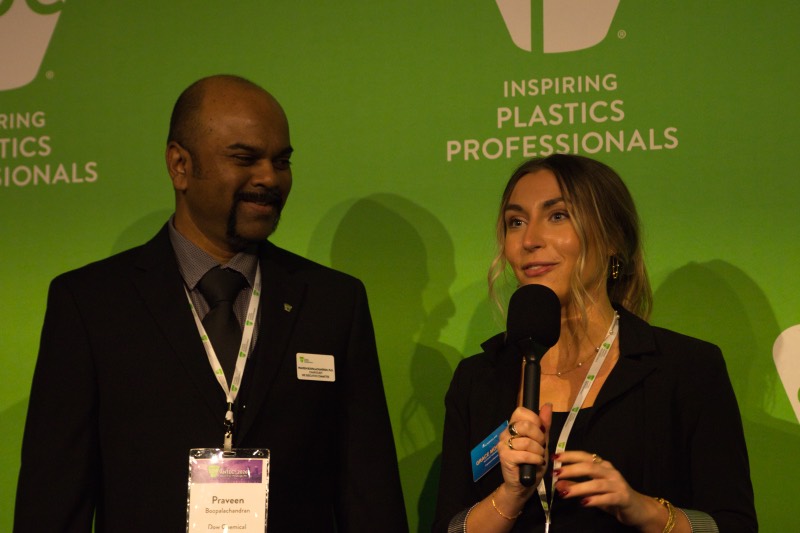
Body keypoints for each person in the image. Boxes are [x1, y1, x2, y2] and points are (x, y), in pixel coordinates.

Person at [15, 75, 408, 533]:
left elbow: (369, 494)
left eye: (281, 161)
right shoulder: (90, 304)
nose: (269, 178)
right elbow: (54, 500)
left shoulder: (333, 302)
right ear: (179, 165)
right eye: (244, 158)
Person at [433, 154, 756, 532]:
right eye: (515, 222)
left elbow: (734, 525)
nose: (529, 240)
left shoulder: (687, 369)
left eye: (558, 216)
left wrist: (643, 510)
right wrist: (510, 495)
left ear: (613, 239)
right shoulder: (478, 379)